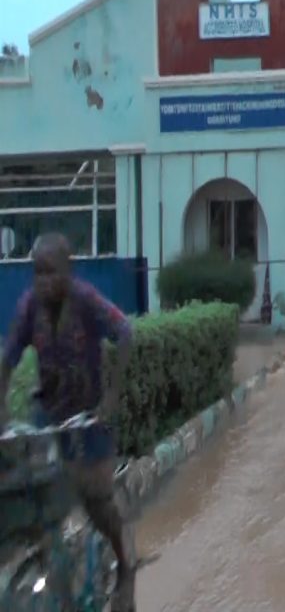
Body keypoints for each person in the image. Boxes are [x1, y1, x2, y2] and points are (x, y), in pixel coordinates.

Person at [0, 233, 137, 611]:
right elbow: (7, 360)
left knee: (97, 501)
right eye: (37, 273)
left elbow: (125, 332)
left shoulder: (86, 300)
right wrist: (2, 411)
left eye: (51, 272)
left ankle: (125, 566)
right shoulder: (29, 307)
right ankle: (59, 588)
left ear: (68, 270)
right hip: (49, 416)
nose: (43, 281)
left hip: (89, 418)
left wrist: (111, 396)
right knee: (37, 499)